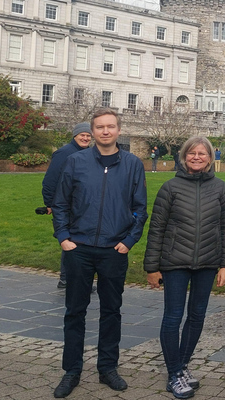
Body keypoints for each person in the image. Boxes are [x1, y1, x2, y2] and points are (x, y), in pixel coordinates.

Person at [51, 108, 148, 398]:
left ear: (119, 130)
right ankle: (72, 370)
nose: (105, 132)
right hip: (79, 248)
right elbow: (60, 203)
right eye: (100, 127)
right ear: (92, 132)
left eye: (110, 127)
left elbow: (140, 208)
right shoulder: (75, 161)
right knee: (75, 311)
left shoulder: (132, 164)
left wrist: (129, 240)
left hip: (113, 249)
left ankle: (107, 368)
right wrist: (64, 237)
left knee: (111, 311)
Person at [144, 136, 225, 399]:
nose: (197, 157)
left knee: (197, 317)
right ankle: (173, 373)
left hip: (207, 262)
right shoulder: (170, 188)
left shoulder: (220, 188)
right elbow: (156, 229)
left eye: (202, 154)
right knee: (173, 317)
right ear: (184, 157)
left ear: (210, 158)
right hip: (174, 262)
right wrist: (152, 267)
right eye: (192, 153)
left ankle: (182, 366)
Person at [42, 122, 93, 289]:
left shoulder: (88, 153)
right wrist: (49, 203)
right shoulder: (64, 153)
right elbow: (50, 180)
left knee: (75, 240)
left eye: (88, 135)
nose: (85, 138)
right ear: (75, 136)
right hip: (65, 204)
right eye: (82, 135)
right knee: (69, 240)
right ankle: (67, 278)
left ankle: (69, 278)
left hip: (81, 205)